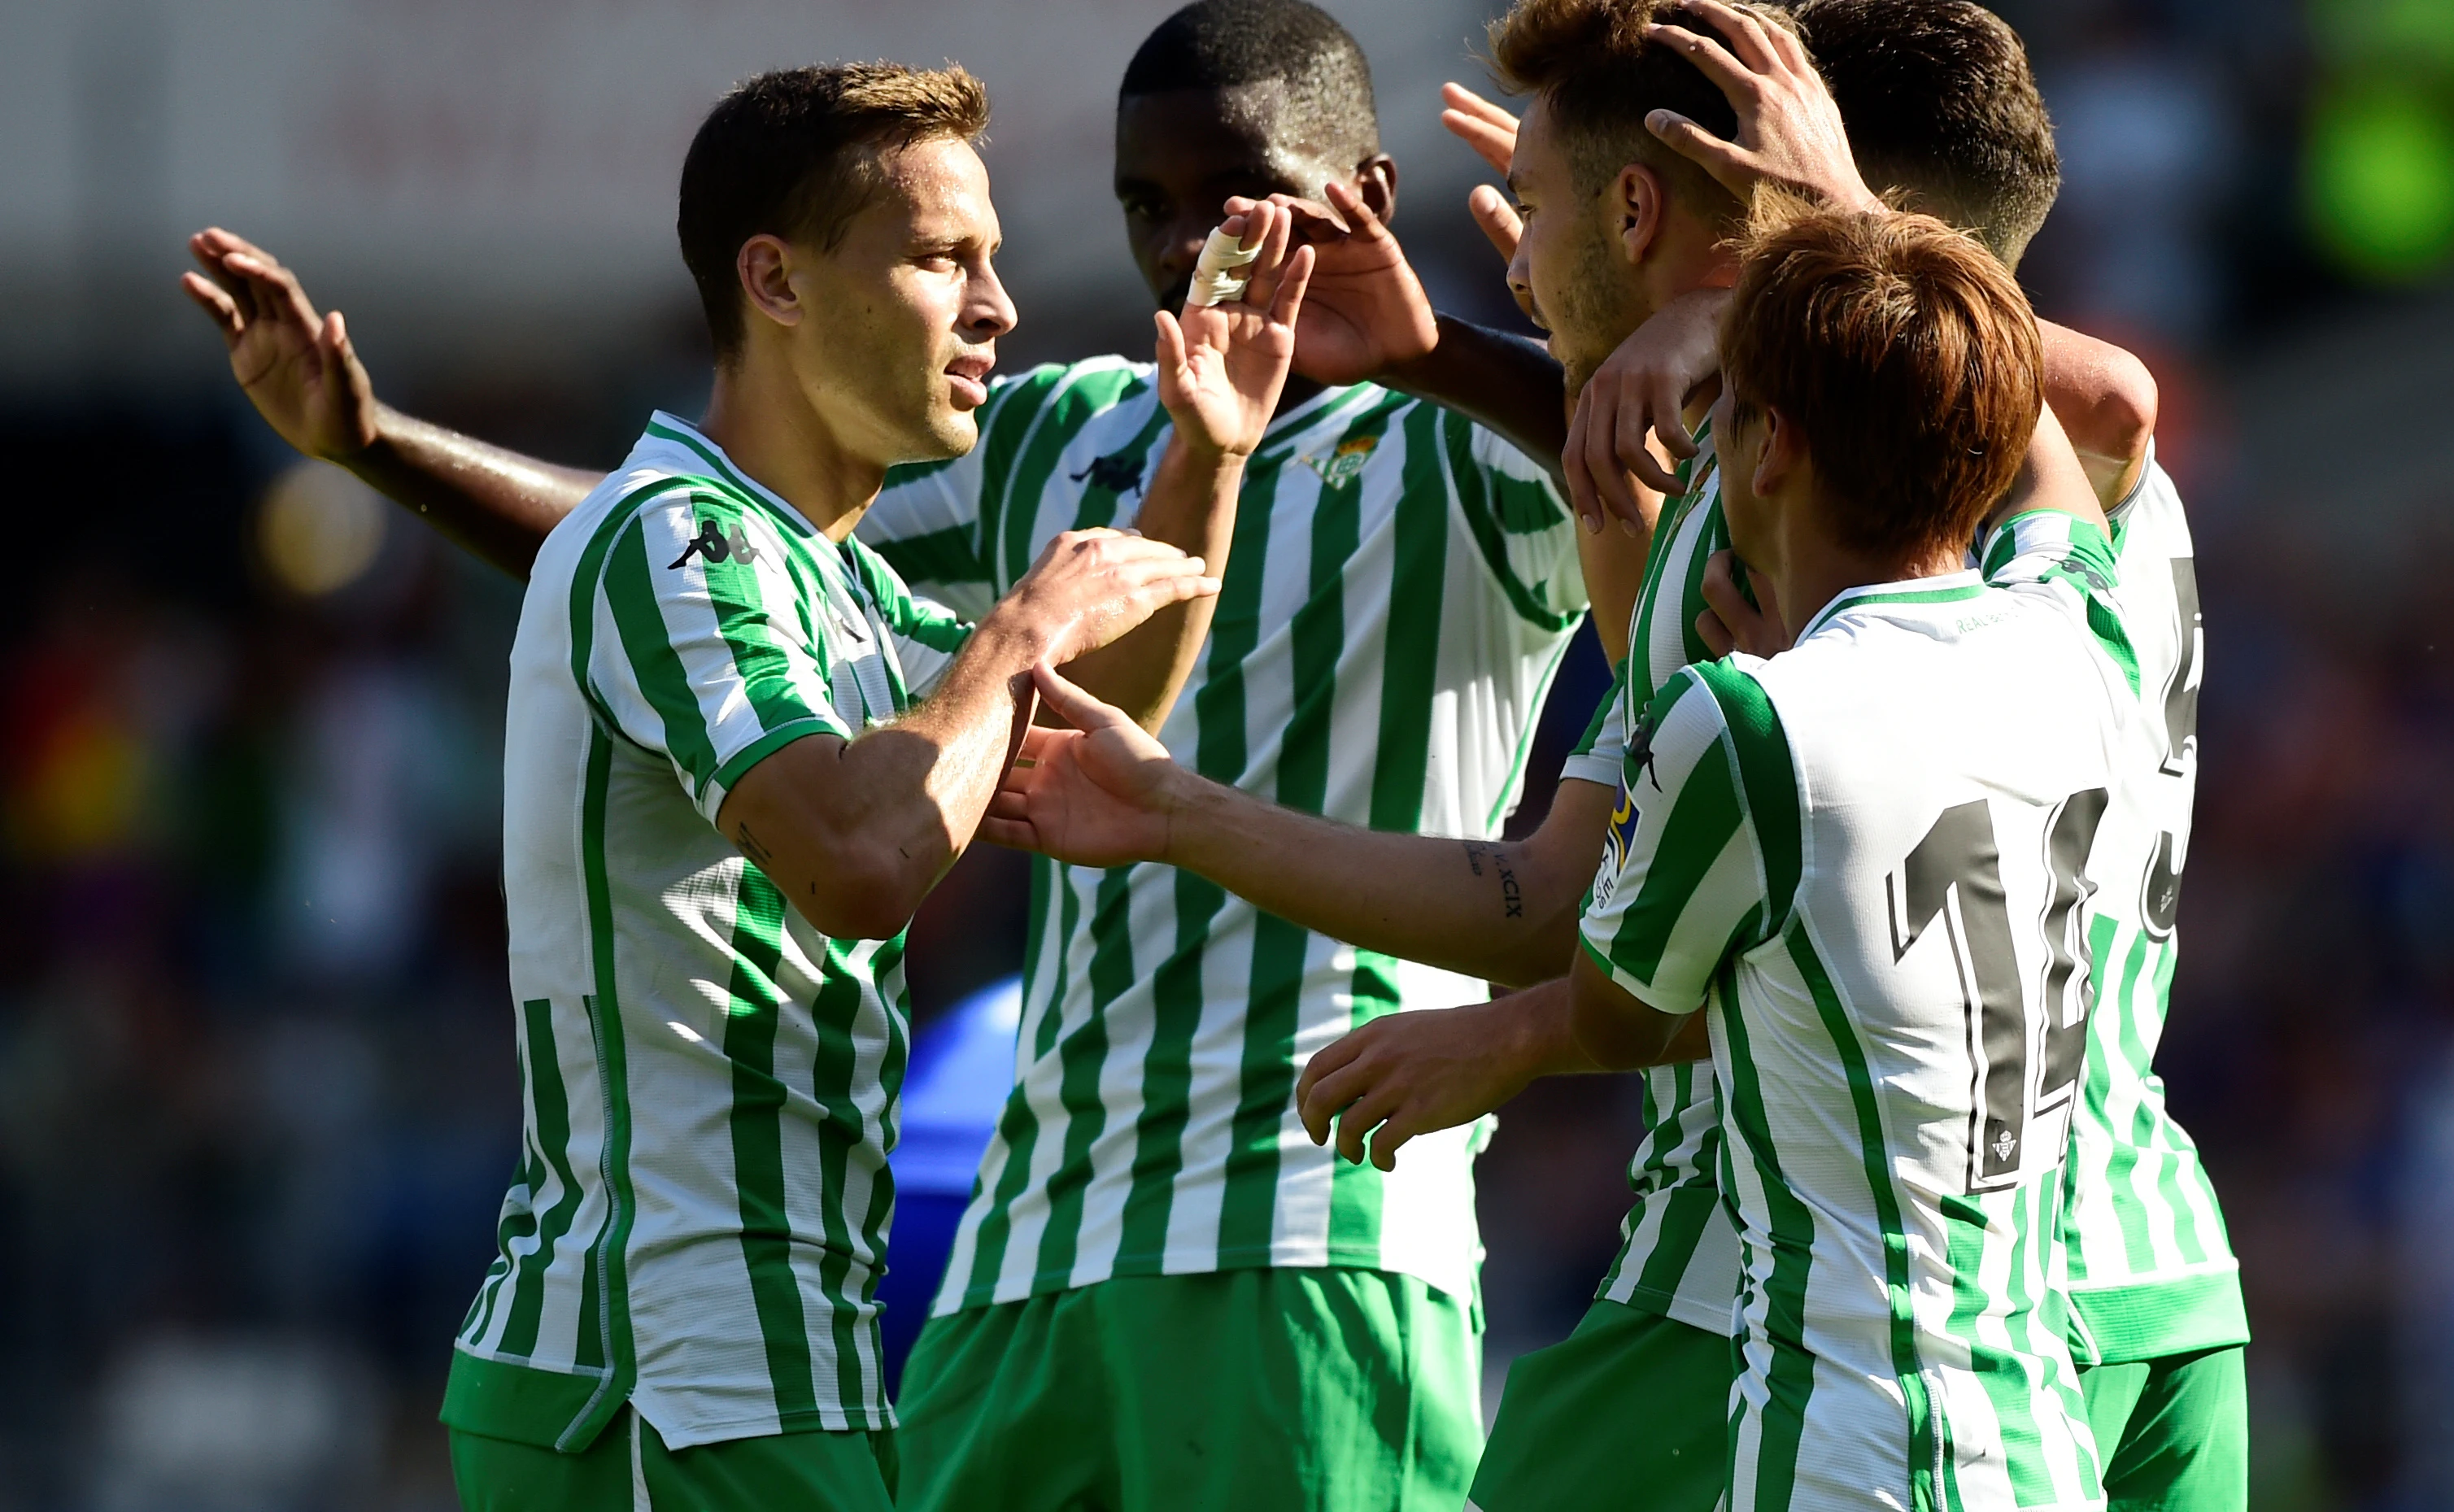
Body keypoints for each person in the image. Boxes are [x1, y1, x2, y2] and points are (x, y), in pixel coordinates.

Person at [185, 3, 1598, 1505]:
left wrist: (1393, 370)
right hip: (1005, 1230)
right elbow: (703, 557)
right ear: (778, 282)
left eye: (1232, 196)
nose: (1187, 247)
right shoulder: (1044, 443)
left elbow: (1705, 464)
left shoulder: (1473, 454)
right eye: (1146, 206)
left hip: (1308, 1212)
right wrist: (380, 445)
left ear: (1362, 198)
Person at [979, 3, 2160, 1509]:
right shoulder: (2069, 629)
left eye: (1530, 208)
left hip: (1807, 1374)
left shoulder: (1758, 711)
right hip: (2021, 1372)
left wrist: (1501, 1027)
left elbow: (1565, 918)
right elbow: (2053, 422)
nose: (1512, 256)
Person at [1569, 190, 2125, 1510]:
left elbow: (1617, 1012)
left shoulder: (1752, 722)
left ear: (1772, 449)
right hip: (2047, 1445)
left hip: (1854, 1458)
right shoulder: (2082, 637)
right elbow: (2054, 472)